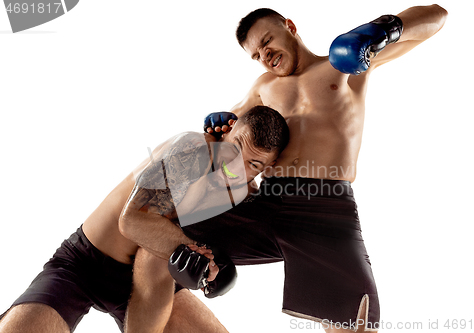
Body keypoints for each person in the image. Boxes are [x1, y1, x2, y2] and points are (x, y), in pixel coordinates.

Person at [126, 5, 448, 333]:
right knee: (157, 238)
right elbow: (225, 135)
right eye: (256, 54)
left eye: (267, 42)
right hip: (265, 202)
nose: (265, 56)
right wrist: (215, 127)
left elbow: (437, 17)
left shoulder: (343, 64)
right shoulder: (262, 87)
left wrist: (382, 30)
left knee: (355, 325)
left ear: (290, 27)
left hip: (325, 208)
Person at [0, 105, 289, 333]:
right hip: (84, 264)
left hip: (147, 281)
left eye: (252, 164)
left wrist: (211, 267)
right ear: (228, 129)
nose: (234, 167)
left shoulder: (241, 194)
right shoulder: (194, 149)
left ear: (267, 168)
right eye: (235, 147)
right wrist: (204, 257)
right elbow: (133, 221)